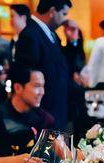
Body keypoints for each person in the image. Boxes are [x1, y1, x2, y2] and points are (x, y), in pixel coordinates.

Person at [14, 0, 72, 131]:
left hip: (56, 109)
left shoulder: (51, 33)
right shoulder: (30, 34)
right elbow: (25, 77)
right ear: (52, 11)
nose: (65, 19)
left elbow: (62, 66)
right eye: (64, 14)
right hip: (43, 112)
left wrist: (73, 41)